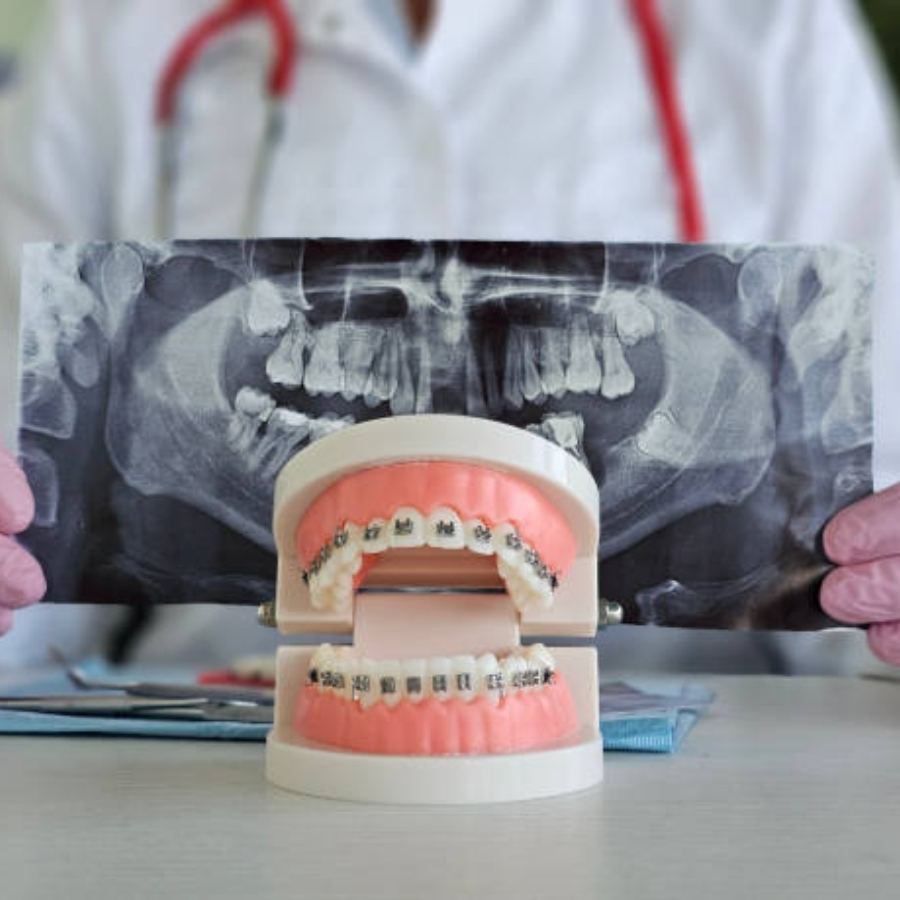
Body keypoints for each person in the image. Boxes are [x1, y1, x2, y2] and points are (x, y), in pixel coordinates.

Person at [0, 0, 899, 670]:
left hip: (700, 789)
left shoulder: (776, 34)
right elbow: (38, 480)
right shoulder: (121, 30)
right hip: (199, 749)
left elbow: (860, 517)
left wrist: (880, 607)